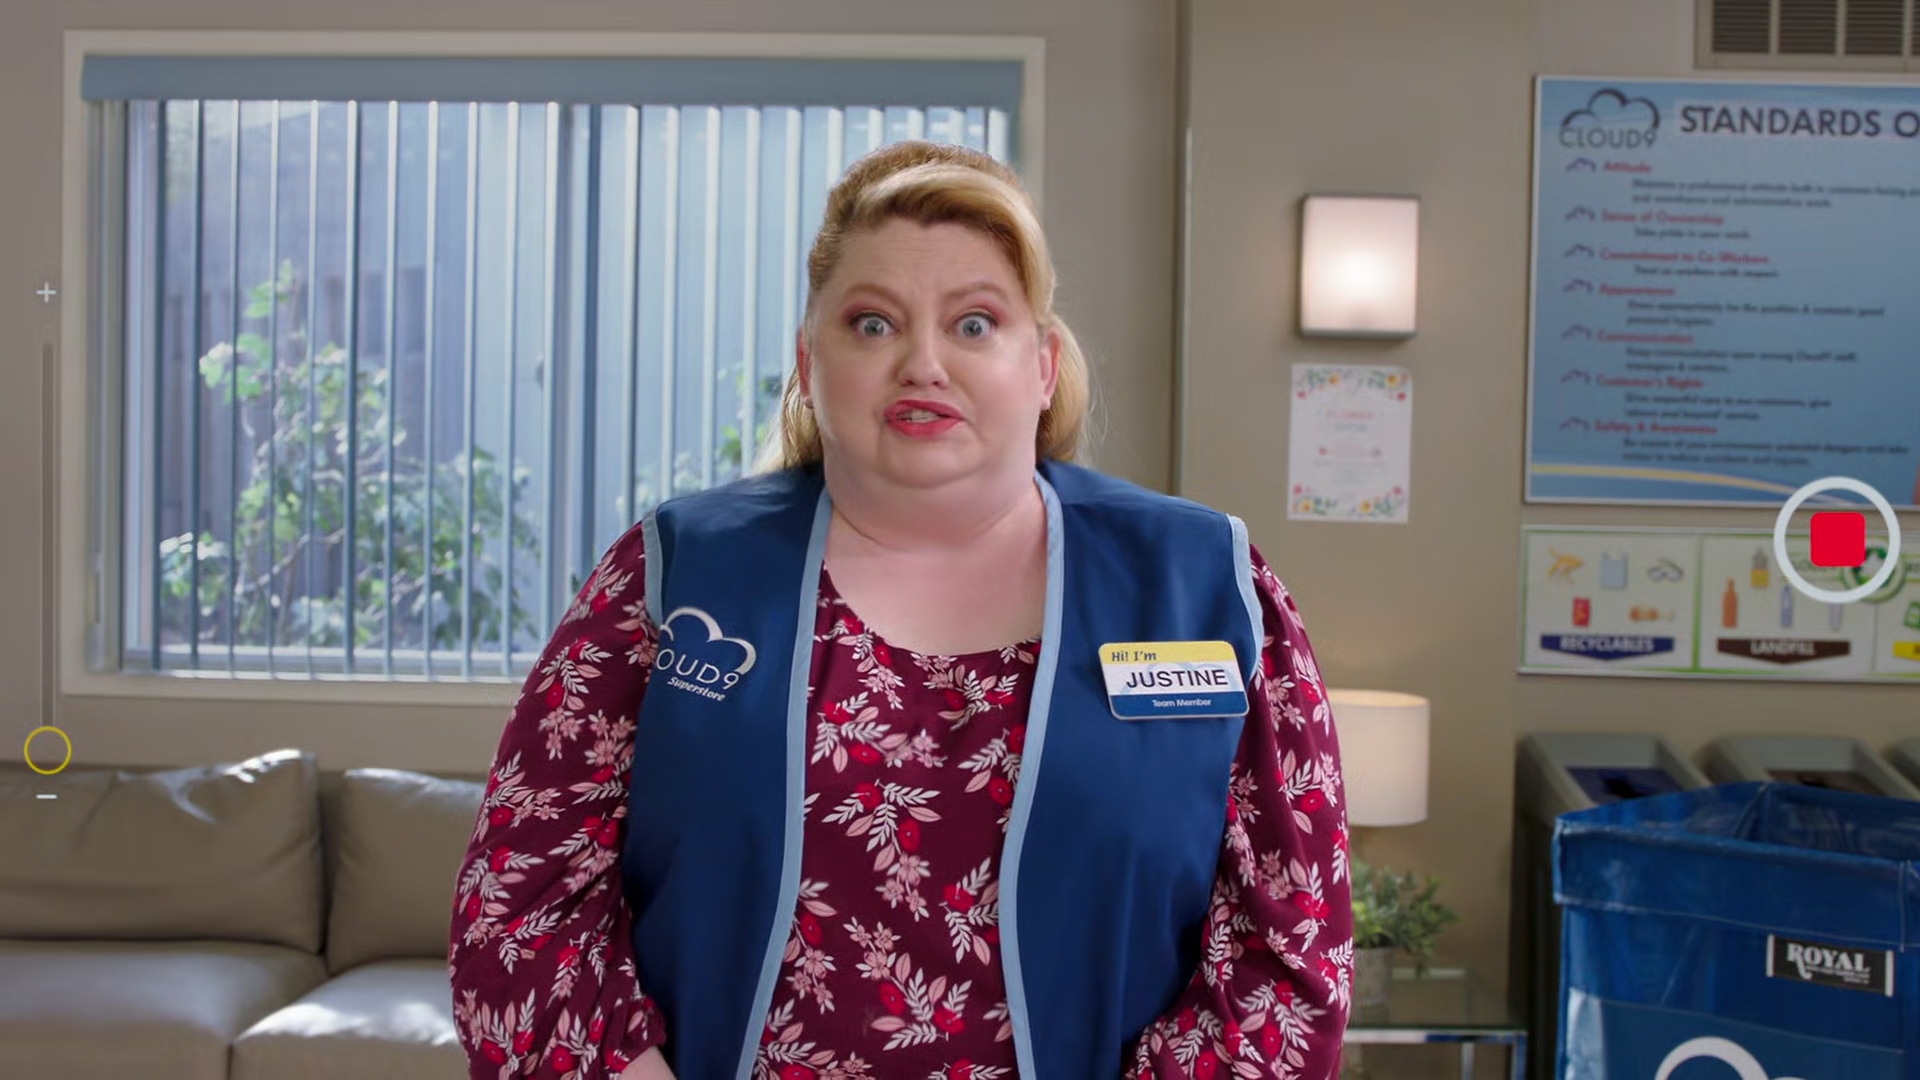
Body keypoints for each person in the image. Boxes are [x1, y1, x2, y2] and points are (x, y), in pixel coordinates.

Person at [450, 141, 1352, 1080]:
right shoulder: (672, 576)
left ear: (1043, 366)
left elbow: (1290, 952)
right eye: (873, 323)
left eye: (975, 323)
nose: (923, 363)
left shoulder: (1208, 590)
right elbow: (518, 906)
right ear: (809, 362)